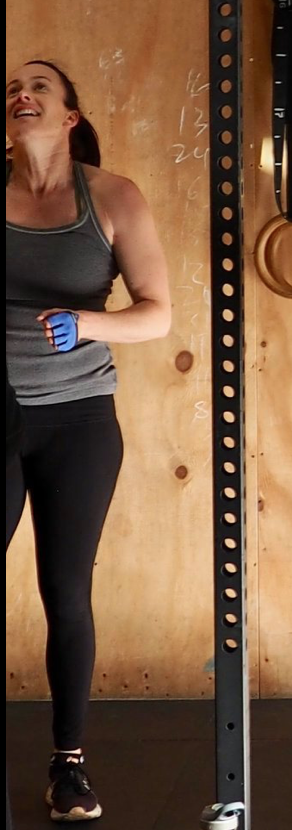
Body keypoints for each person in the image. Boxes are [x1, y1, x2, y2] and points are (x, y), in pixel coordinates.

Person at [6, 59, 171, 821]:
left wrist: (90, 325)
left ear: (70, 116)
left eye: (39, 85)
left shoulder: (112, 198)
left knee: (65, 594)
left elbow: (157, 314)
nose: (21, 92)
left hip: (78, 420)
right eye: (12, 87)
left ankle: (68, 765)